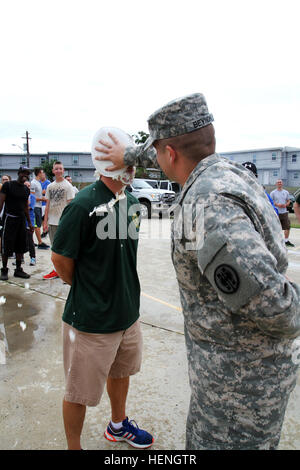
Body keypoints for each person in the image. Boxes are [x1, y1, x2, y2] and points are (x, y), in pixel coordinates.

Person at [95, 93, 300, 450]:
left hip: (239, 398)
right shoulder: (226, 171)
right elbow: (169, 152)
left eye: (159, 153)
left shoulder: (208, 207)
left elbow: (279, 310)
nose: (156, 159)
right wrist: (130, 155)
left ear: (170, 154)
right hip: (231, 382)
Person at [51, 128, 153, 450]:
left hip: (127, 312)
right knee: (78, 390)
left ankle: (118, 425)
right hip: (91, 319)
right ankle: (74, 446)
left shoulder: (133, 202)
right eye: (126, 160)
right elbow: (60, 260)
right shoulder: (82, 205)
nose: (132, 166)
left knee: (121, 372)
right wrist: (89, 290)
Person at [0, 166, 34, 280]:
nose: (25, 175)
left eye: (27, 174)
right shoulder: (8, 185)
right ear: (19, 173)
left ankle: (18, 269)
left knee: (21, 245)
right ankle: (4, 270)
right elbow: (1, 202)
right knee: (6, 245)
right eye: (23, 173)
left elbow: (25, 206)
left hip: (21, 220)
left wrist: (29, 222)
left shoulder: (26, 189)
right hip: (9, 219)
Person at [42, 161, 74, 280]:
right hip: (52, 222)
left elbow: (71, 205)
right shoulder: (50, 186)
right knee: (54, 248)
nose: (59, 171)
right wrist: (45, 222)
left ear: (63, 170)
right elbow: (48, 205)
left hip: (64, 223)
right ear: (53, 171)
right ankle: (56, 271)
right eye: (56, 169)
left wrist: (70, 222)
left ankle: (67, 272)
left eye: (61, 168)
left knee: (66, 248)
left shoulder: (68, 186)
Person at [270, 180, 294, 247]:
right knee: (276, 227)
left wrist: (286, 204)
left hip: (284, 212)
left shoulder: (285, 192)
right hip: (276, 212)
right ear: (276, 184)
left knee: (287, 227)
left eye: (280, 182)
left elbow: (289, 200)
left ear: (282, 184)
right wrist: (277, 205)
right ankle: (276, 241)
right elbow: (270, 201)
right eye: (278, 182)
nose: (279, 183)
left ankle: (286, 241)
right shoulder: (273, 193)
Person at [30, 168, 49, 250]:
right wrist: (43, 199)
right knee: (36, 225)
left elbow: (37, 195)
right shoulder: (33, 183)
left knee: (37, 224)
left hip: (39, 206)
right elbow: (32, 197)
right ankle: (40, 242)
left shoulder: (38, 183)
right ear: (39, 173)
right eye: (43, 173)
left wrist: (42, 194)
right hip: (35, 207)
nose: (44, 174)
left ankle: (31, 241)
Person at [24, 180, 36, 266]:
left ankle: (33, 258)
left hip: (29, 222)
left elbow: (28, 208)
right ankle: (20, 258)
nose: (27, 187)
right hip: (20, 221)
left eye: (29, 186)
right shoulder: (19, 196)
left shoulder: (32, 196)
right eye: (25, 185)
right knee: (20, 240)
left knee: (30, 240)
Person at [40, 170, 51, 238]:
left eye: (42, 174)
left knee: (45, 218)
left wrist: (39, 192)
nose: (41, 175)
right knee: (41, 219)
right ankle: (45, 230)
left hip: (45, 204)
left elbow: (45, 191)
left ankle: (45, 231)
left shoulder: (48, 182)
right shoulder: (38, 182)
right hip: (39, 203)